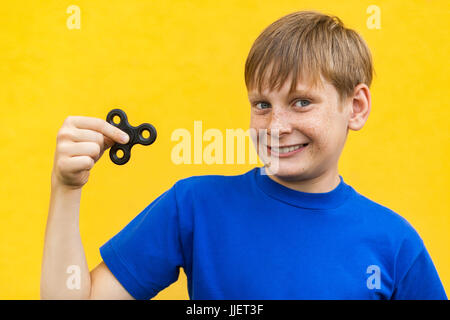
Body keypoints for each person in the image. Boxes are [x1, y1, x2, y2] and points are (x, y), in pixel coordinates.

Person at [41, 10, 447, 300]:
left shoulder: (395, 244)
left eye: (302, 102)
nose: (275, 127)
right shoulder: (196, 207)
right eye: (262, 105)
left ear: (355, 107)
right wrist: (66, 187)